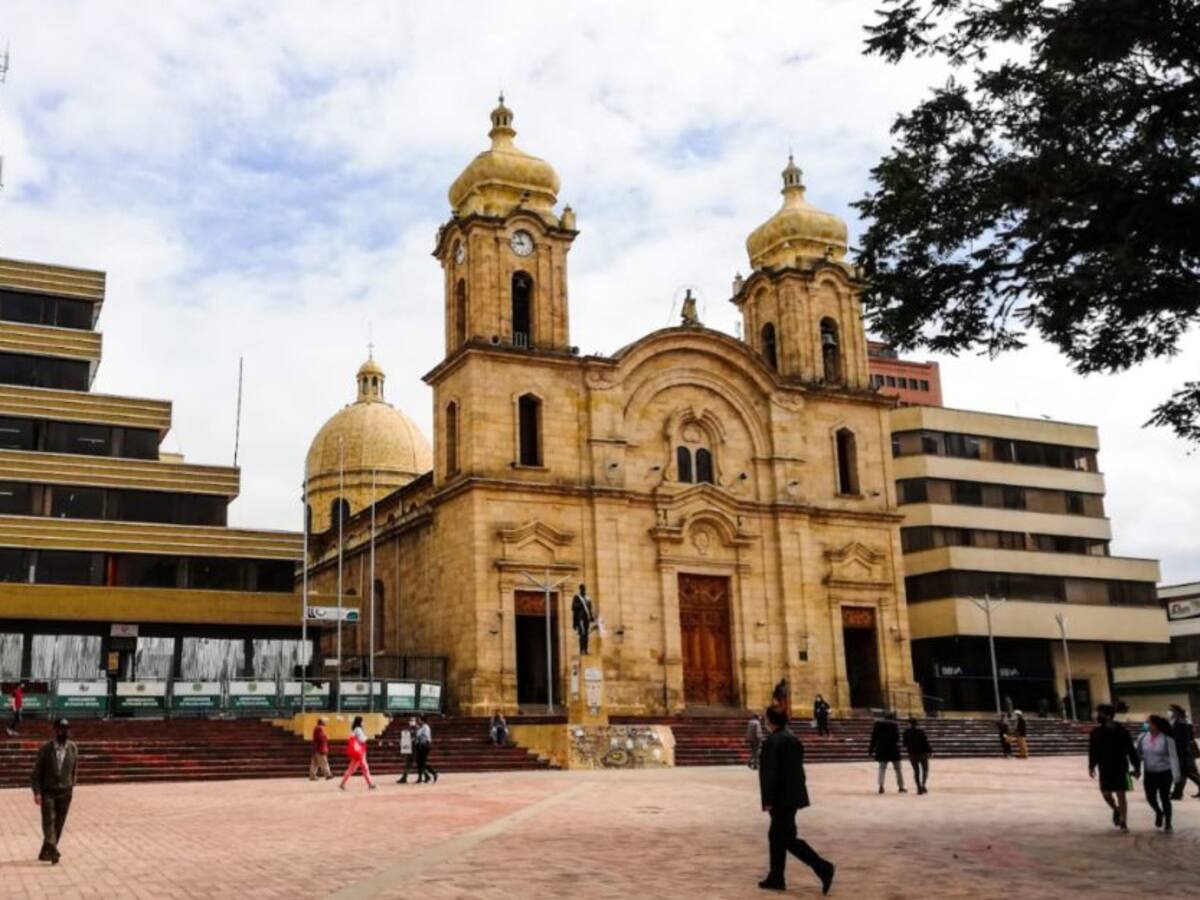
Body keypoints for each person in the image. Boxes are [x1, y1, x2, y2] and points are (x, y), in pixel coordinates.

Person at [757, 705, 835, 894]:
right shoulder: (792, 738)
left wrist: (767, 799)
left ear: (769, 720)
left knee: (785, 838)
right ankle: (776, 877)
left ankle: (823, 867)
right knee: (776, 836)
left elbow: (770, 774)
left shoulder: (772, 742)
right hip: (792, 795)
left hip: (780, 798)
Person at [31, 717, 78, 864]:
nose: (62, 732)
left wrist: (71, 785)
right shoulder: (45, 749)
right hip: (48, 791)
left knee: (59, 823)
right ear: (55, 731)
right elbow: (36, 772)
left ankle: (47, 851)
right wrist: (37, 792)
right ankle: (53, 851)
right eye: (60, 729)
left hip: (65, 792)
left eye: (65, 730)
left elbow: (74, 769)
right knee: (48, 821)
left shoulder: (73, 748)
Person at [1088, 703, 1139, 831]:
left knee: (1121, 794)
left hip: (1122, 767)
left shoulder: (1123, 732)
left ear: (1109, 716)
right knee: (1106, 794)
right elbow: (1093, 750)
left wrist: (1137, 767)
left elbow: (1131, 750)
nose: (1098, 716)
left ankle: (1123, 822)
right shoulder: (1096, 732)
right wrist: (1091, 766)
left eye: (1101, 714)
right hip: (1104, 767)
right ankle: (1116, 809)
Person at [1137, 714, 1181, 832]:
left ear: (1155, 725)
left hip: (1164, 773)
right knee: (1150, 797)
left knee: (1164, 798)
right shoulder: (1142, 737)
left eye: (1148, 722)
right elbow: (1139, 755)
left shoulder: (1167, 739)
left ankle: (1168, 823)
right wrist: (1136, 769)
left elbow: (1173, 757)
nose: (1146, 725)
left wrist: (1176, 775)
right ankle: (1158, 812)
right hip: (1149, 773)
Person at [868, 710, 906, 794]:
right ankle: (901, 786)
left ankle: (881, 786)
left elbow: (873, 738)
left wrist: (871, 750)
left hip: (882, 749)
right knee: (898, 769)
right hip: (893, 749)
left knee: (882, 769)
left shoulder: (877, 724)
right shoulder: (894, 724)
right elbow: (897, 738)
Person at [1167, 704, 1200, 800]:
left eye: (1171, 711)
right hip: (1184, 751)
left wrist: (1180, 752)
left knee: (1187, 772)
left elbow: (1183, 739)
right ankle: (1177, 793)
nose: (1170, 712)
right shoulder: (1181, 721)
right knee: (1184, 773)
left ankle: (1177, 794)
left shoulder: (1181, 723)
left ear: (1176, 712)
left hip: (1183, 752)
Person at [339, 715, 376, 790]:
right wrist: (367, 737)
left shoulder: (354, 729)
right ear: (360, 722)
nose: (363, 722)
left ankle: (370, 784)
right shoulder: (358, 729)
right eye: (362, 721)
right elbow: (362, 739)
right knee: (362, 769)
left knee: (357, 769)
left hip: (358, 751)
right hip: (360, 752)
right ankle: (370, 784)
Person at [903, 717, 932, 794]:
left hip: (912, 754)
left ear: (910, 723)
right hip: (922, 753)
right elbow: (925, 742)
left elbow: (904, 744)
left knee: (916, 771)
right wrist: (930, 751)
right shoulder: (921, 731)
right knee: (925, 770)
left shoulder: (906, 732)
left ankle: (918, 787)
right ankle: (923, 785)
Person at [571, 584, 595, 655]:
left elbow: (590, 608)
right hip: (580, 618)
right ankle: (581, 650)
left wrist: (591, 616)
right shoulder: (577, 597)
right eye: (583, 589)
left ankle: (586, 649)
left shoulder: (588, 598)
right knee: (582, 633)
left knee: (586, 634)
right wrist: (581, 604)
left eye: (585, 589)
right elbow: (574, 607)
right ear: (580, 589)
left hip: (586, 618)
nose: (584, 590)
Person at [415, 714, 439, 784]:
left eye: (419, 720)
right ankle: (426, 777)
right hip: (420, 746)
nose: (418, 721)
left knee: (422, 763)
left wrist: (418, 738)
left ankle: (433, 773)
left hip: (424, 746)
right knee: (419, 762)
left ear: (422, 720)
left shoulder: (426, 727)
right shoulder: (421, 727)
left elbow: (424, 736)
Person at [396, 717, 418, 784]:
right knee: (407, 764)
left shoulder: (417, 728)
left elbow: (417, 738)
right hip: (409, 749)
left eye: (412, 720)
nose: (411, 722)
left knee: (419, 763)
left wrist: (412, 740)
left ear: (415, 721)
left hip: (416, 749)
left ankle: (427, 775)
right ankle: (404, 778)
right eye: (410, 720)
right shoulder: (409, 729)